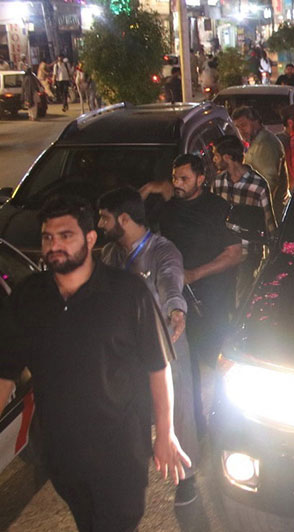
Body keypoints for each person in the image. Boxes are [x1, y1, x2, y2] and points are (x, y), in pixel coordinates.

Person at [0, 195, 190, 531]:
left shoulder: (128, 294)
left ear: (90, 239)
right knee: (88, 521)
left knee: (118, 522)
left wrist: (166, 432)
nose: (55, 245)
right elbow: (1, 372)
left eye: (65, 236)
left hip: (121, 450)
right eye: (47, 237)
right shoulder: (28, 298)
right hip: (61, 451)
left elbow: (158, 367)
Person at [96, 188, 201, 507]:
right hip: (127, 347)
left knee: (177, 409)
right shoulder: (111, 254)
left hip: (165, 341)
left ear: (124, 219)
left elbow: (172, 282)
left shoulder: (162, 251)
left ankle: (186, 477)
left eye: (104, 217)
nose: (100, 224)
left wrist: (176, 309)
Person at [155, 154, 243, 368]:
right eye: (175, 178)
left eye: (184, 179)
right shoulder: (167, 208)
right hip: (176, 301)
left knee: (212, 362)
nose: (177, 184)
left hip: (211, 302)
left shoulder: (219, 209)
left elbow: (235, 253)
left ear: (200, 179)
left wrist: (194, 274)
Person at [211, 135, 275, 304]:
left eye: (216, 155)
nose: (213, 160)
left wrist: (272, 255)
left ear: (227, 157)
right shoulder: (218, 183)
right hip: (224, 251)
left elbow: (269, 223)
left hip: (248, 254)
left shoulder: (258, 186)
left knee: (242, 299)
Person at [231, 106, 286, 204]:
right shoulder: (256, 142)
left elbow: (269, 182)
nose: (241, 131)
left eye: (243, 125)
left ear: (256, 122)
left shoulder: (266, 144)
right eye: (238, 127)